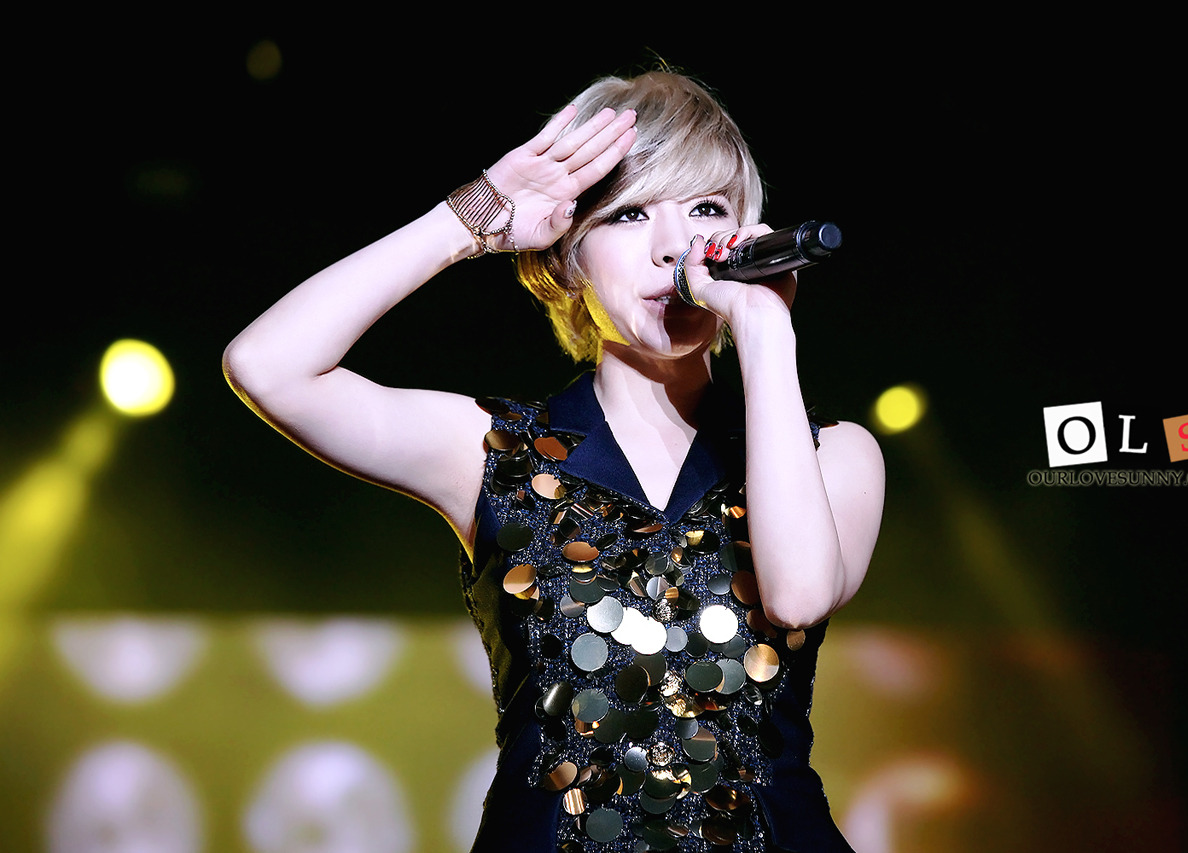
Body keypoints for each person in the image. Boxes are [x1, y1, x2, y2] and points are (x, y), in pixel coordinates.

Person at [224, 69, 884, 852]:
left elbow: (798, 595)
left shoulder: (835, 452)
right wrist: (471, 217)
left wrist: (767, 329)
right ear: (568, 260)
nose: (675, 245)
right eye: (631, 213)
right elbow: (268, 367)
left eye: (707, 209)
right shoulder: (493, 449)